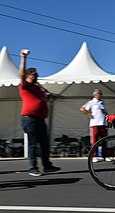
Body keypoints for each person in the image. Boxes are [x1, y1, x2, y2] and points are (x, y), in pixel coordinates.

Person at [19, 49, 60, 177]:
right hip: (30, 119)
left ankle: (47, 166)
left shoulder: (37, 88)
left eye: (36, 74)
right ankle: (33, 168)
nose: (35, 75)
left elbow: (47, 96)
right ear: (27, 76)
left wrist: (43, 89)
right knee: (33, 144)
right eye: (32, 74)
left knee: (44, 143)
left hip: (40, 119)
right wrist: (23, 58)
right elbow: (20, 74)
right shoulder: (24, 86)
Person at [80, 89, 108, 163]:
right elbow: (82, 109)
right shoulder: (91, 102)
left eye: (101, 94)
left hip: (103, 123)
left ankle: (105, 155)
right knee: (94, 141)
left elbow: (104, 111)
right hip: (95, 123)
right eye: (99, 94)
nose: (101, 95)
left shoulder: (102, 102)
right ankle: (94, 156)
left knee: (104, 140)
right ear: (95, 95)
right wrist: (89, 113)